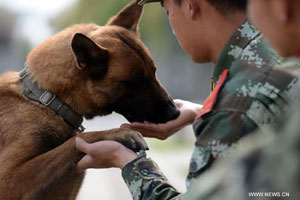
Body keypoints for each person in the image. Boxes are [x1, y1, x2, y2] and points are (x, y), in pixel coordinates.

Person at [75, 0, 300, 199]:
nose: (171, 25)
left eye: (167, 9)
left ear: (191, 5)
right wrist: (198, 112)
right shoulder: (280, 49)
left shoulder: (234, 107)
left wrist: (125, 160)